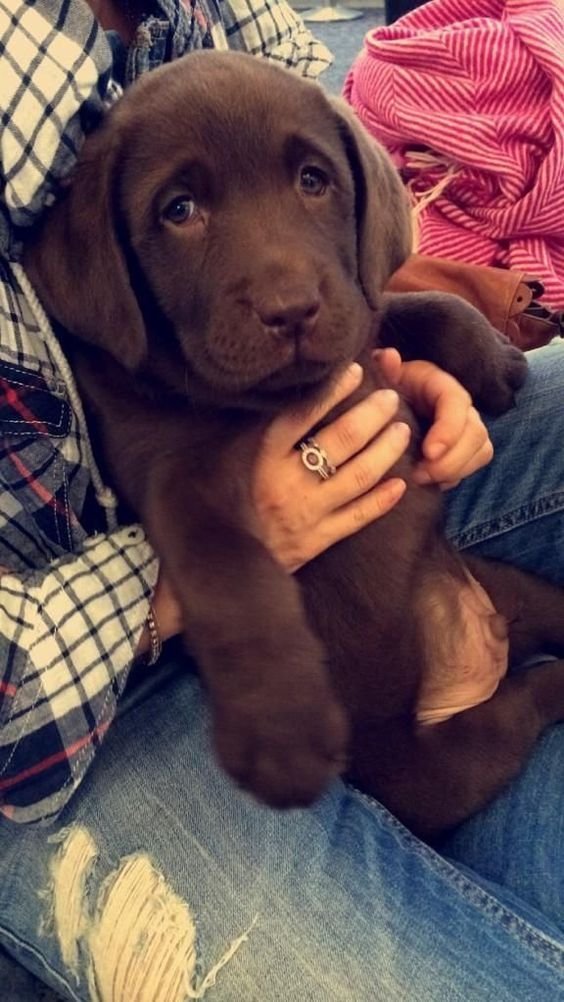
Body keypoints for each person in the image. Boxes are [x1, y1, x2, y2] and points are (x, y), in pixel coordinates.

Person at [1, 2, 564, 999]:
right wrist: (204, 583)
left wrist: (404, 339)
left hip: (368, 524)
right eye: (182, 210)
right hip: (76, 717)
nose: (284, 282)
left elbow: (321, 135)